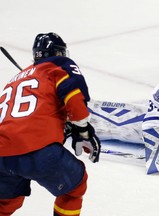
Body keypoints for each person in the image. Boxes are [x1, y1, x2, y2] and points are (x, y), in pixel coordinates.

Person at [0, 32, 101, 215]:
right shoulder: (59, 65)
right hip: (36, 149)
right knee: (75, 187)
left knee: (5, 203)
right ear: (59, 53)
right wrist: (84, 131)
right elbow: (73, 96)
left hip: (1, 154)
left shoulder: (14, 80)